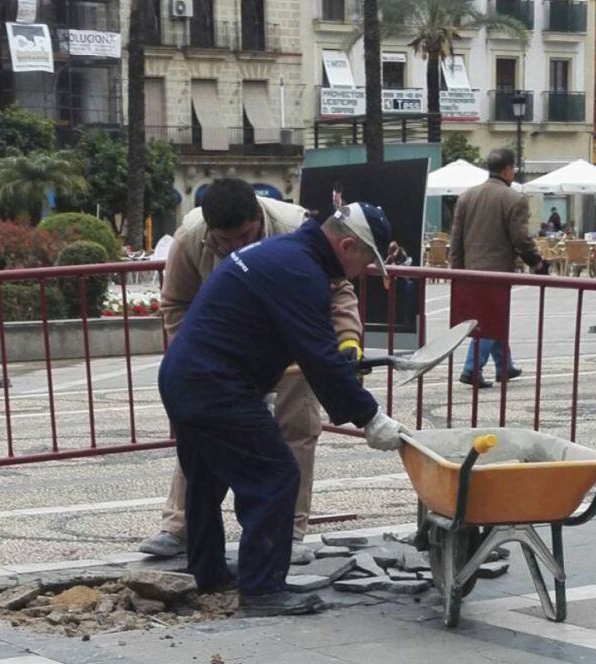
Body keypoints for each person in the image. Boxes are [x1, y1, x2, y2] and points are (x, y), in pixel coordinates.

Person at [158, 203, 405, 616]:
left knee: (205, 479)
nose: (362, 272)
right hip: (216, 386)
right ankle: (262, 588)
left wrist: (262, 388)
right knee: (276, 476)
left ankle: (209, 571)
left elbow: (258, 330)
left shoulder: (282, 254)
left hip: (187, 378)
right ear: (346, 245)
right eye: (365, 261)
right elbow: (317, 356)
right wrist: (371, 418)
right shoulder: (300, 271)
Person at [139, 179, 363, 565]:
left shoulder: (297, 229)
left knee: (295, 436)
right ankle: (179, 526)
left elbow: (339, 290)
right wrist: (202, 365)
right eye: (224, 242)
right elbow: (176, 304)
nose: (234, 248)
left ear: (259, 217)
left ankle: (287, 533)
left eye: (243, 236)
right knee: (204, 435)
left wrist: (347, 339)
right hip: (222, 361)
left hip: (291, 353)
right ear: (210, 232)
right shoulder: (191, 235)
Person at [452, 148, 543, 388]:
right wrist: (536, 261)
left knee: (494, 318)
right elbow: (521, 239)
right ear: (507, 170)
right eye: (513, 168)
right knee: (491, 320)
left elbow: (456, 239)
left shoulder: (466, 197)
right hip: (497, 271)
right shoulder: (514, 199)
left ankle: (505, 366)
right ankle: (472, 368)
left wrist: (455, 270)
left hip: (470, 271)